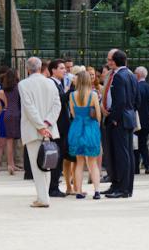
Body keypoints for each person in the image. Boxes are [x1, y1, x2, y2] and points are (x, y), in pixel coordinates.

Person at [18, 56, 61, 208]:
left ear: (28, 69)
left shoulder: (23, 84)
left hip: (34, 130)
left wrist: (40, 126)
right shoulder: (50, 83)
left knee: (38, 166)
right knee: (46, 164)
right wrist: (47, 123)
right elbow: (57, 105)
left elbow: (29, 108)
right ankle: (44, 196)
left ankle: (43, 198)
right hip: (49, 129)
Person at [102, 49, 139, 198]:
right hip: (128, 118)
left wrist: (115, 118)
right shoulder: (131, 75)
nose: (108, 62)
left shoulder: (119, 77)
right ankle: (119, 185)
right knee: (125, 153)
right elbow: (137, 100)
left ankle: (122, 188)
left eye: (110, 60)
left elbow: (121, 100)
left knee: (121, 155)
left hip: (119, 119)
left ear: (116, 61)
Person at [68, 69, 103, 200]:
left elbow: (72, 113)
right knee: (93, 163)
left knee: (79, 162)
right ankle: (97, 191)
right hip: (90, 128)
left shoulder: (72, 95)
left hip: (77, 128)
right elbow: (98, 115)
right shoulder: (93, 95)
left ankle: (78, 191)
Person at [48, 59, 73, 197]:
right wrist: (73, 89)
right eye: (62, 68)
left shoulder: (59, 83)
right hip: (57, 126)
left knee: (61, 156)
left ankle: (55, 185)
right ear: (53, 70)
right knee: (56, 158)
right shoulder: (52, 83)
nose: (65, 70)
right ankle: (53, 188)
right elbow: (60, 100)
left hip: (62, 126)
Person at [0, 69, 21, 175]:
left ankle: (10, 164)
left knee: (8, 141)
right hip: (17, 114)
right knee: (13, 141)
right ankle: (12, 164)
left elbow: (1, 107)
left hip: (6, 114)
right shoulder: (19, 88)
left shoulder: (1, 92)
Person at [134, 66, 149, 175]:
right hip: (147, 120)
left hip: (137, 119)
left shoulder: (136, 87)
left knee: (135, 144)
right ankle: (147, 165)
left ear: (138, 75)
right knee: (143, 143)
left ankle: (136, 167)